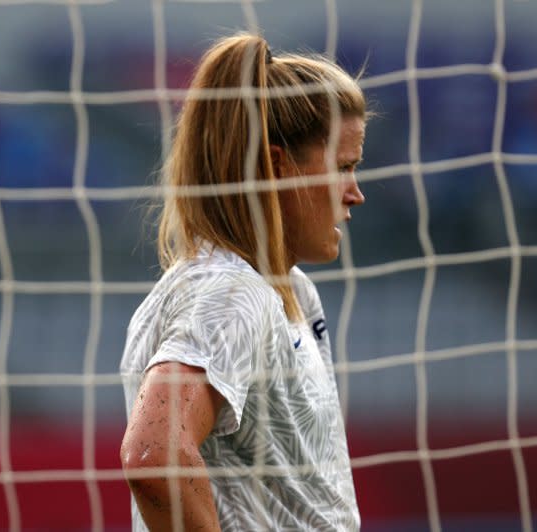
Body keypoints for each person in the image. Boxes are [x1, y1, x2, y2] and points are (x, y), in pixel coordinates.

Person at [119, 32, 367, 531]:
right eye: (343, 167)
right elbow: (155, 451)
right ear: (280, 168)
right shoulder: (230, 294)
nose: (355, 193)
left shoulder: (291, 289)